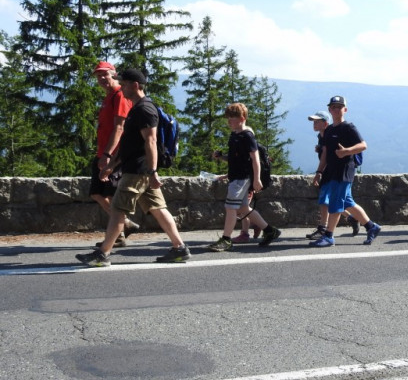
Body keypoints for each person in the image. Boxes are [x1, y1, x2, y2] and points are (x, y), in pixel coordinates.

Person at [76, 69, 191, 267]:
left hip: (138, 171)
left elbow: (151, 141)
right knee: (158, 208)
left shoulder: (145, 109)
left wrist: (152, 171)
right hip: (138, 169)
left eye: (124, 84)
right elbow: (129, 144)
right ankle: (179, 248)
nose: (121, 87)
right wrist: (112, 165)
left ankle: (102, 254)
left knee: (118, 210)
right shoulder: (136, 109)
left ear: (135, 85)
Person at [207, 103, 281, 251]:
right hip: (236, 177)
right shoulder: (235, 135)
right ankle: (269, 231)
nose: (229, 121)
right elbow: (236, 159)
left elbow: (255, 159)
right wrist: (221, 157)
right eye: (228, 118)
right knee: (243, 208)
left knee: (230, 207)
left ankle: (226, 239)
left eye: (232, 118)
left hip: (242, 178)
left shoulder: (247, 136)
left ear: (241, 118)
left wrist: (257, 179)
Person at [309, 95, 381, 247]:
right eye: (333, 107)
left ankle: (328, 236)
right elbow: (325, 153)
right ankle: (371, 227)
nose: (336, 109)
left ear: (345, 110)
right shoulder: (329, 130)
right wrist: (319, 172)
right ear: (329, 110)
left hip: (344, 171)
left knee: (336, 202)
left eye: (339, 107)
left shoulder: (348, 127)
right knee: (347, 202)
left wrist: (346, 151)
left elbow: (363, 145)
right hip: (332, 171)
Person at [90, 61, 137, 248]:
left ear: (114, 74)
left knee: (110, 195)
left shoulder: (119, 95)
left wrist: (108, 155)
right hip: (103, 152)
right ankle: (125, 225)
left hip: (115, 154)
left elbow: (119, 127)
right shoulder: (109, 97)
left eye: (105, 74)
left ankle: (118, 235)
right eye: (98, 75)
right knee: (96, 193)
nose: (102, 78)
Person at [306, 109, 360, 240]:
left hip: (335, 171)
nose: (314, 124)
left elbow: (331, 153)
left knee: (327, 199)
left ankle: (324, 229)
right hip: (328, 170)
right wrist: (320, 150)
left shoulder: (330, 133)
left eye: (317, 121)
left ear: (325, 123)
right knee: (333, 200)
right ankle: (353, 219)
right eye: (313, 121)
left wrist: (319, 171)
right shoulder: (321, 136)